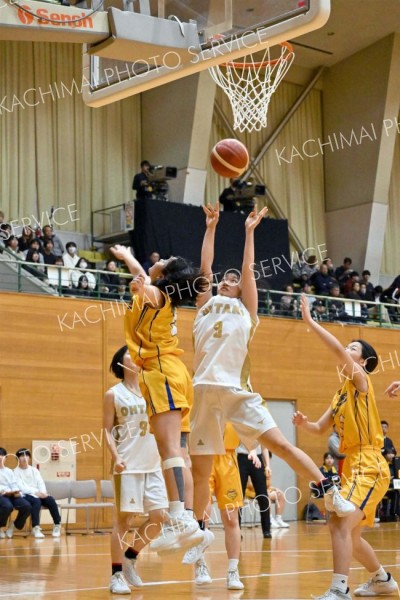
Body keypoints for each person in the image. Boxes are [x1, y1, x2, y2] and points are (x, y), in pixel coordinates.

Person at [190, 203, 354, 548]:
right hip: (204, 390)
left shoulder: (246, 312)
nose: (227, 282)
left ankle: (328, 489)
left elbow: (248, 271)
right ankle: (200, 531)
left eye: (233, 281)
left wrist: (250, 232)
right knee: (201, 471)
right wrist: (211, 228)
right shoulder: (204, 306)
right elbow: (205, 266)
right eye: (225, 279)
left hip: (237, 390)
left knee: (280, 444)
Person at [292, 294, 398, 599]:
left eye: (354, 349)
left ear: (363, 362)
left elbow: (338, 351)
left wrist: (311, 322)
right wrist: (303, 423)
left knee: (338, 522)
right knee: (350, 532)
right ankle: (383, 579)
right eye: (349, 347)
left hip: (370, 464)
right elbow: (319, 428)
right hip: (351, 465)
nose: (347, 350)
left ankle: (338, 590)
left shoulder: (360, 379)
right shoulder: (339, 394)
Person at [110, 243, 207, 553]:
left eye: (163, 260)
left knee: (169, 450)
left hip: (162, 372)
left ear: (165, 275)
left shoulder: (154, 295)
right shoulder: (162, 297)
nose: (157, 260)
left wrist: (137, 275)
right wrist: (126, 257)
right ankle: (187, 519)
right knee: (178, 451)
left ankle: (179, 517)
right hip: (174, 372)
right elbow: (143, 278)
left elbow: (144, 282)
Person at [104, 345, 168, 594]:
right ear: (121, 363)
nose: (137, 355)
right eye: (130, 352)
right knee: (123, 521)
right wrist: (116, 456)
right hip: (127, 466)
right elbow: (107, 430)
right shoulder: (113, 394)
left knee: (160, 517)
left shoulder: (150, 391)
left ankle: (131, 557)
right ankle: (116, 575)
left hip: (152, 464)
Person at [182, 423, 244, 590]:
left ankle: (233, 570)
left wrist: (253, 449)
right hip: (202, 454)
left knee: (231, 518)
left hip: (227, 458)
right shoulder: (200, 397)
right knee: (203, 513)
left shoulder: (237, 397)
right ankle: (200, 565)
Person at [14, 449, 62, 539]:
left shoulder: (34, 470)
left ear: (29, 458)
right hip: (26, 495)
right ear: (18, 459)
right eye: (22, 456)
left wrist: (43, 493)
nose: (25, 458)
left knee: (51, 500)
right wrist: (36, 493)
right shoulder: (15, 472)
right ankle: (36, 528)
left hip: (39, 493)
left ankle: (57, 525)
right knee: (36, 502)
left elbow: (40, 482)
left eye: (27, 456)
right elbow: (22, 487)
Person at [237, 443, 271, 538]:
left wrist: (267, 465)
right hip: (242, 458)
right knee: (239, 497)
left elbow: (264, 447)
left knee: (263, 496)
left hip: (258, 458)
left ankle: (267, 529)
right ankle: (237, 530)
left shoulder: (261, 428)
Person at [0, 448, 31, 539]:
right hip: (2, 495)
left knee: (26, 506)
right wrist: (5, 492)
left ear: (5, 458)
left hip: (12, 495)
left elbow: (14, 484)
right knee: (7, 506)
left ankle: (14, 524)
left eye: (3, 456)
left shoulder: (9, 471)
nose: (0, 457)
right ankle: (0, 527)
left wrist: (17, 492)